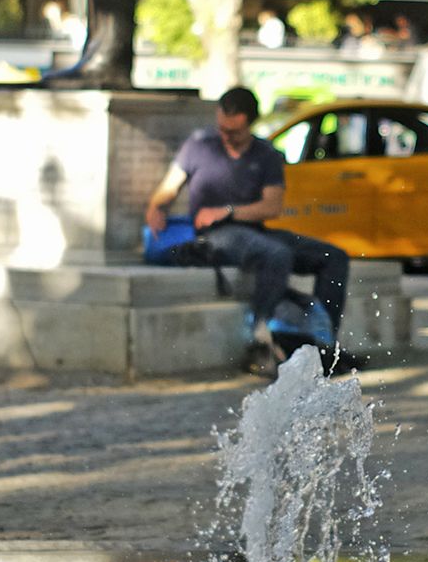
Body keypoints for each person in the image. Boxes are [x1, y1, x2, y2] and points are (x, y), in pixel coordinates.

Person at [144, 86, 353, 376]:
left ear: (250, 124)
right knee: (275, 253)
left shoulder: (265, 154)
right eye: (222, 128)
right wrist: (156, 209)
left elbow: (272, 206)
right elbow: (168, 189)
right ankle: (260, 336)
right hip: (215, 235)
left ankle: (322, 346)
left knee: (334, 256)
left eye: (235, 132)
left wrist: (229, 210)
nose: (226, 136)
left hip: (253, 228)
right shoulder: (200, 145)